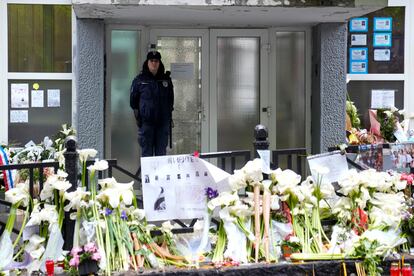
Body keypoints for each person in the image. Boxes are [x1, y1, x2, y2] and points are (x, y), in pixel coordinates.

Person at [130, 50, 174, 157]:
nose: (154, 63)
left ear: (159, 63)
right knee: (147, 157)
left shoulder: (166, 80)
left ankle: (161, 175)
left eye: (156, 61)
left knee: (161, 156)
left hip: (162, 125)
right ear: (147, 62)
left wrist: (168, 119)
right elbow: (133, 102)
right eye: (151, 61)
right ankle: (147, 175)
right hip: (146, 124)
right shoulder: (139, 80)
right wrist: (139, 118)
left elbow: (170, 101)